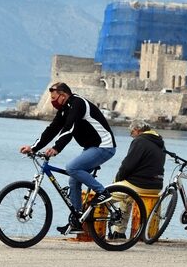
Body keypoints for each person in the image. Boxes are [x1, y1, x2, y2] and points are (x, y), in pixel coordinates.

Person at [20, 82, 116, 234]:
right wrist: (34, 147)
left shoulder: (77, 104)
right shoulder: (64, 109)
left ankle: (103, 192)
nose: (52, 101)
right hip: (91, 147)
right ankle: (77, 220)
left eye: (54, 98)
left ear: (63, 95)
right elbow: (52, 129)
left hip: (104, 146)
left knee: (72, 168)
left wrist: (56, 148)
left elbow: (69, 128)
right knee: (73, 179)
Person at [109, 120, 165, 239]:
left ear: (138, 130)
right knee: (126, 199)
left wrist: (116, 181)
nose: (131, 135)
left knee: (103, 196)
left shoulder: (140, 141)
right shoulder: (160, 142)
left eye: (132, 132)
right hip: (156, 186)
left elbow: (127, 165)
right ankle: (119, 232)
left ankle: (96, 231)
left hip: (140, 185)